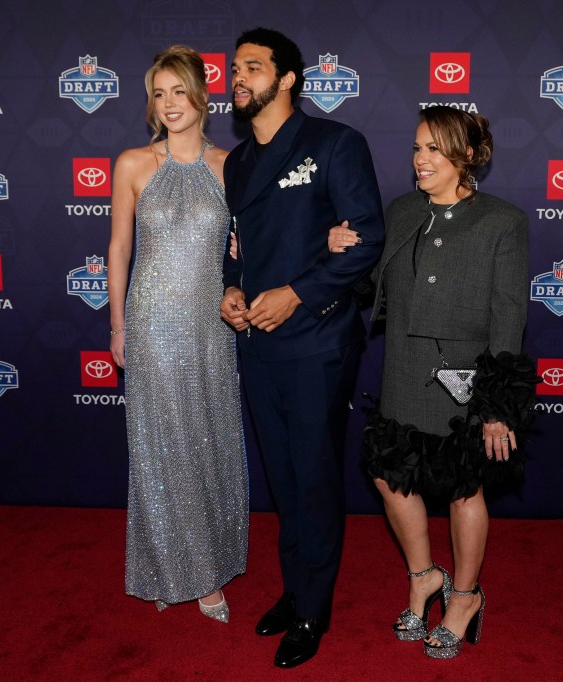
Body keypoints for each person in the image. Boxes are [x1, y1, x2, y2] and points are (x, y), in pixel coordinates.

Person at [329, 105, 534, 659]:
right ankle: (424, 576)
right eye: (417, 148)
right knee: (392, 478)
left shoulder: (502, 221)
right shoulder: (400, 213)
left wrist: (496, 405)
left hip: (468, 379)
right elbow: (368, 288)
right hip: (403, 370)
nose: (421, 160)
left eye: (434, 150)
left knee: (466, 489)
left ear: (467, 155)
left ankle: (465, 596)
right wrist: (342, 253)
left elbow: (508, 317)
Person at [219, 27, 385, 668]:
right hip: (257, 342)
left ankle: (314, 609)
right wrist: (230, 291)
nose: (240, 78)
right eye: (236, 68)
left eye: (254, 68)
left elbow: (366, 238)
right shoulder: (238, 163)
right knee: (284, 480)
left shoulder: (334, 143)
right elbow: (239, 249)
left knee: (313, 479)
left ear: (288, 78)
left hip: (316, 340)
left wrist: (299, 291)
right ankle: (296, 590)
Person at [107, 45, 247, 624]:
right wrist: (117, 324)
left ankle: (208, 561)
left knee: (208, 440)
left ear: (202, 96)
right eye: (158, 93)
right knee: (162, 449)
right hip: (151, 322)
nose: (168, 104)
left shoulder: (230, 166)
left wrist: (244, 254)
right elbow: (118, 249)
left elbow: (247, 246)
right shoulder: (133, 164)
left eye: (178, 91)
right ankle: (181, 571)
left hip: (210, 326)